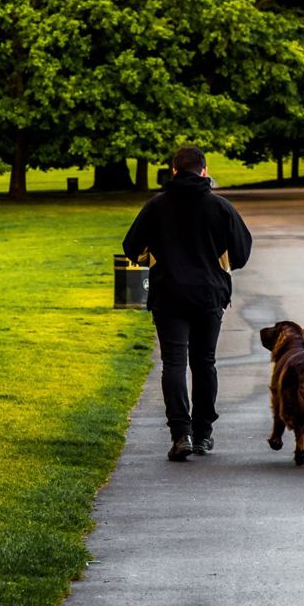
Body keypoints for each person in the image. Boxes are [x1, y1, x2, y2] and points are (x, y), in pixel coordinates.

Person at [123, 146, 253, 461]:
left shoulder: (156, 207)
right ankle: (204, 433)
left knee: (174, 363)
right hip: (209, 295)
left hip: (168, 293)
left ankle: (181, 434)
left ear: (174, 171)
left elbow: (131, 247)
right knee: (204, 362)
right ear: (204, 172)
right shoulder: (220, 208)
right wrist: (220, 265)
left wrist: (153, 258)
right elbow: (242, 253)